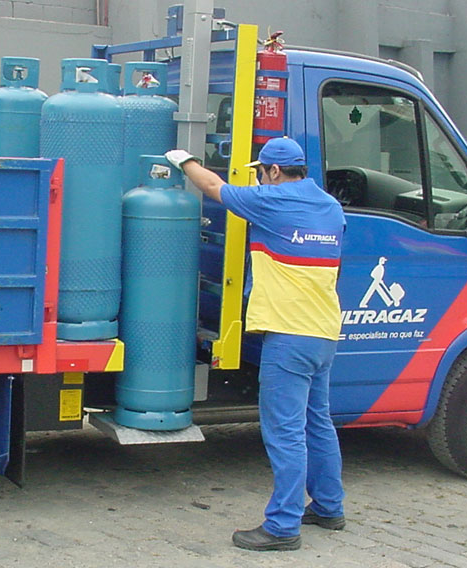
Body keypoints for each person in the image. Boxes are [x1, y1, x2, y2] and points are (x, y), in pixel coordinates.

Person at [165, 138, 346, 552]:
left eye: (261, 171)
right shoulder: (331, 207)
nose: (261, 177)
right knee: (317, 422)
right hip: (323, 331)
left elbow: (212, 187)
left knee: (285, 433)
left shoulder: (272, 201)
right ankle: (329, 507)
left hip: (289, 334)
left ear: (275, 172)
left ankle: (283, 527)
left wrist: (184, 160)